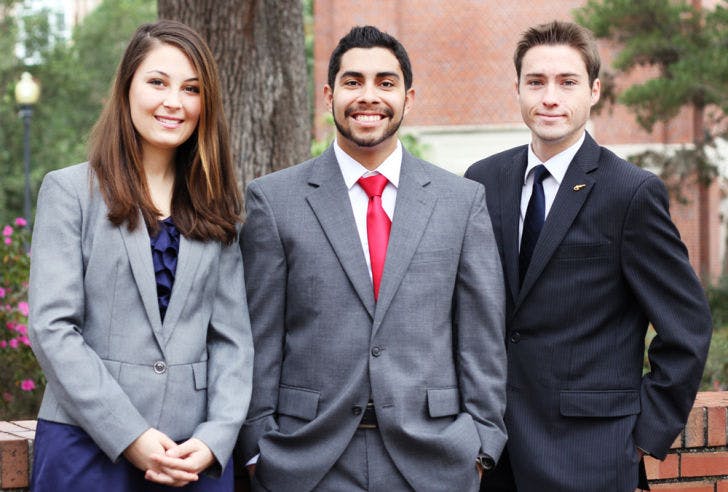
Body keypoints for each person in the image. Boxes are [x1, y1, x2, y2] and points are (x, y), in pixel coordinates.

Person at [237, 25, 507, 492]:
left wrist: (481, 444)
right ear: (328, 94)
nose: (369, 97)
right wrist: (260, 446)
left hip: (434, 460)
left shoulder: (461, 201)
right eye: (352, 81)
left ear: (409, 96)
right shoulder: (273, 200)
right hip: (307, 461)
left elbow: (481, 338)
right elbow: (258, 337)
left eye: (385, 83)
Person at [465, 20, 712, 492]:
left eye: (567, 82)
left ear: (594, 90)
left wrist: (641, 436)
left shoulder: (631, 193)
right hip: (493, 455)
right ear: (517, 88)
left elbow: (688, 327)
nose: (550, 97)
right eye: (535, 82)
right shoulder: (482, 179)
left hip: (591, 455)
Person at [28, 20, 253, 491]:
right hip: (86, 446)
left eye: (191, 88)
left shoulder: (218, 207)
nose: (174, 101)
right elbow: (53, 329)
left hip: (194, 458)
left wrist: (215, 438)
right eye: (157, 82)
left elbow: (232, 342)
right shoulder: (70, 192)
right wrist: (131, 436)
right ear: (127, 86)